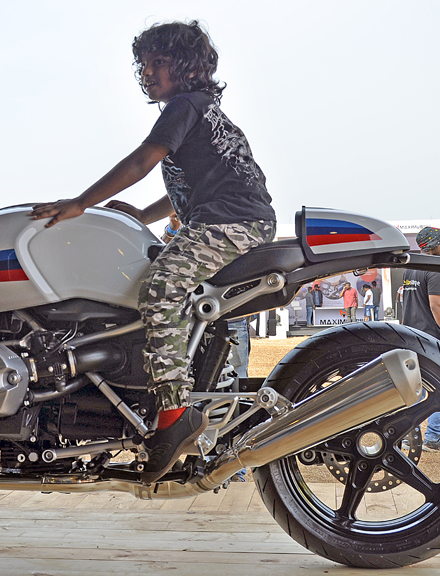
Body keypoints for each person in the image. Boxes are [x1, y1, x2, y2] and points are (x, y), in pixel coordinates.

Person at [30, 21, 276, 484]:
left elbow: (143, 160)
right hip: (234, 219)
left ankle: (174, 415)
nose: (147, 72)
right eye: (143, 64)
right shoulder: (202, 110)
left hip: (231, 223)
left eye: (158, 62)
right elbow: (197, 184)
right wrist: (143, 214)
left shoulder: (185, 105)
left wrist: (80, 203)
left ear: (189, 67)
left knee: (161, 290)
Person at [401, 227, 440, 452]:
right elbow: (436, 306)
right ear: (434, 245)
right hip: (432, 339)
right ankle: (433, 437)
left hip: (411, 336)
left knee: (415, 388)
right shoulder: (434, 270)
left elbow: (406, 304)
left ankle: (409, 435)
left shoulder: (410, 269)